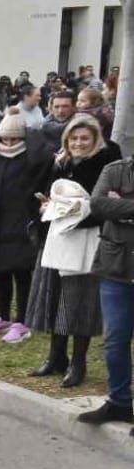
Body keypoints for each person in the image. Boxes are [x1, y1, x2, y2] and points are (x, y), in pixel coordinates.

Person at [28, 115, 122, 386]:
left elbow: (106, 205)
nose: (78, 143)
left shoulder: (105, 166)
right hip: (57, 238)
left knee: (80, 302)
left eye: (84, 138)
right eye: (74, 138)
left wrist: (76, 212)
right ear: (66, 141)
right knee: (55, 298)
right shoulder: (59, 163)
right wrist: (45, 207)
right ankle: (56, 357)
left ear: (95, 140)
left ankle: (78, 361)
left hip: (86, 239)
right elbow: (41, 193)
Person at [0, 108, 53, 342]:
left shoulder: (32, 155)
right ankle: (2, 316)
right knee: (0, 271)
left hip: (22, 221)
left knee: (22, 273)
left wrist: (32, 135)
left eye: (15, 138)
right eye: (6, 138)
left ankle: (22, 321)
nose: (10, 142)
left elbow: (44, 158)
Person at [76, 146, 134, 427]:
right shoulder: (115, 170)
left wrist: (122, 207)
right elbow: (98, 205)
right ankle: (120, 403)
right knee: (114, 341)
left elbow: (111, 207)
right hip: (116, 268)